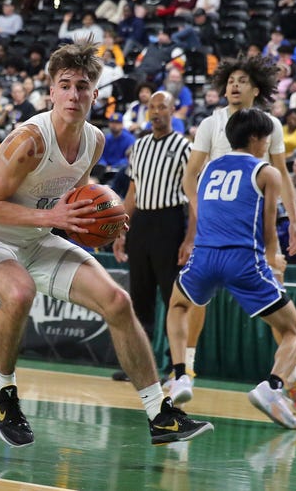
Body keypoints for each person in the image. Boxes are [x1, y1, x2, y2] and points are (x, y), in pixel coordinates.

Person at [0, 37, 213, 448]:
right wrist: (54, 217)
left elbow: (74, 198)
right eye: (65, 84)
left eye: (82, 86)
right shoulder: (29, 141)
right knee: (20, 293)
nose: (73, 94)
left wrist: (100, 222)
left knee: (118, 302)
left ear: (95, 94)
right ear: (51, 92)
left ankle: (159, 414)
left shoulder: (93, 140)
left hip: (39, 238)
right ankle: (4, 391)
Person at [176, 55, 296, 416]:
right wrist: (201, 213)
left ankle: (290, 380)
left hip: (256, 214)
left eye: (242, 80)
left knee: (277, 299)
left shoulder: (268, 124)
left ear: (256, 88)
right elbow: (191, 176)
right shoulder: (211, 122)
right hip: (219, 216)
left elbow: (281, 174)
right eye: (230, 80)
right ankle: (186, 371)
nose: (234, 85)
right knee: (198, 301)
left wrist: (295, 222)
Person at [111, 91, 203, 381]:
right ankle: (141, 365)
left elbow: (194, 199)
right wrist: (120, 231)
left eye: (162, 107)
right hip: (141, 223)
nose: (156, 112)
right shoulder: (138, 147)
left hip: (170, 222)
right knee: (139, 297)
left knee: (171, 296)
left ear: (173, 111)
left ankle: (173, 367)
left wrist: (190, 239)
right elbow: (132, 193)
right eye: (152, 107)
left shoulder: (184, 147)